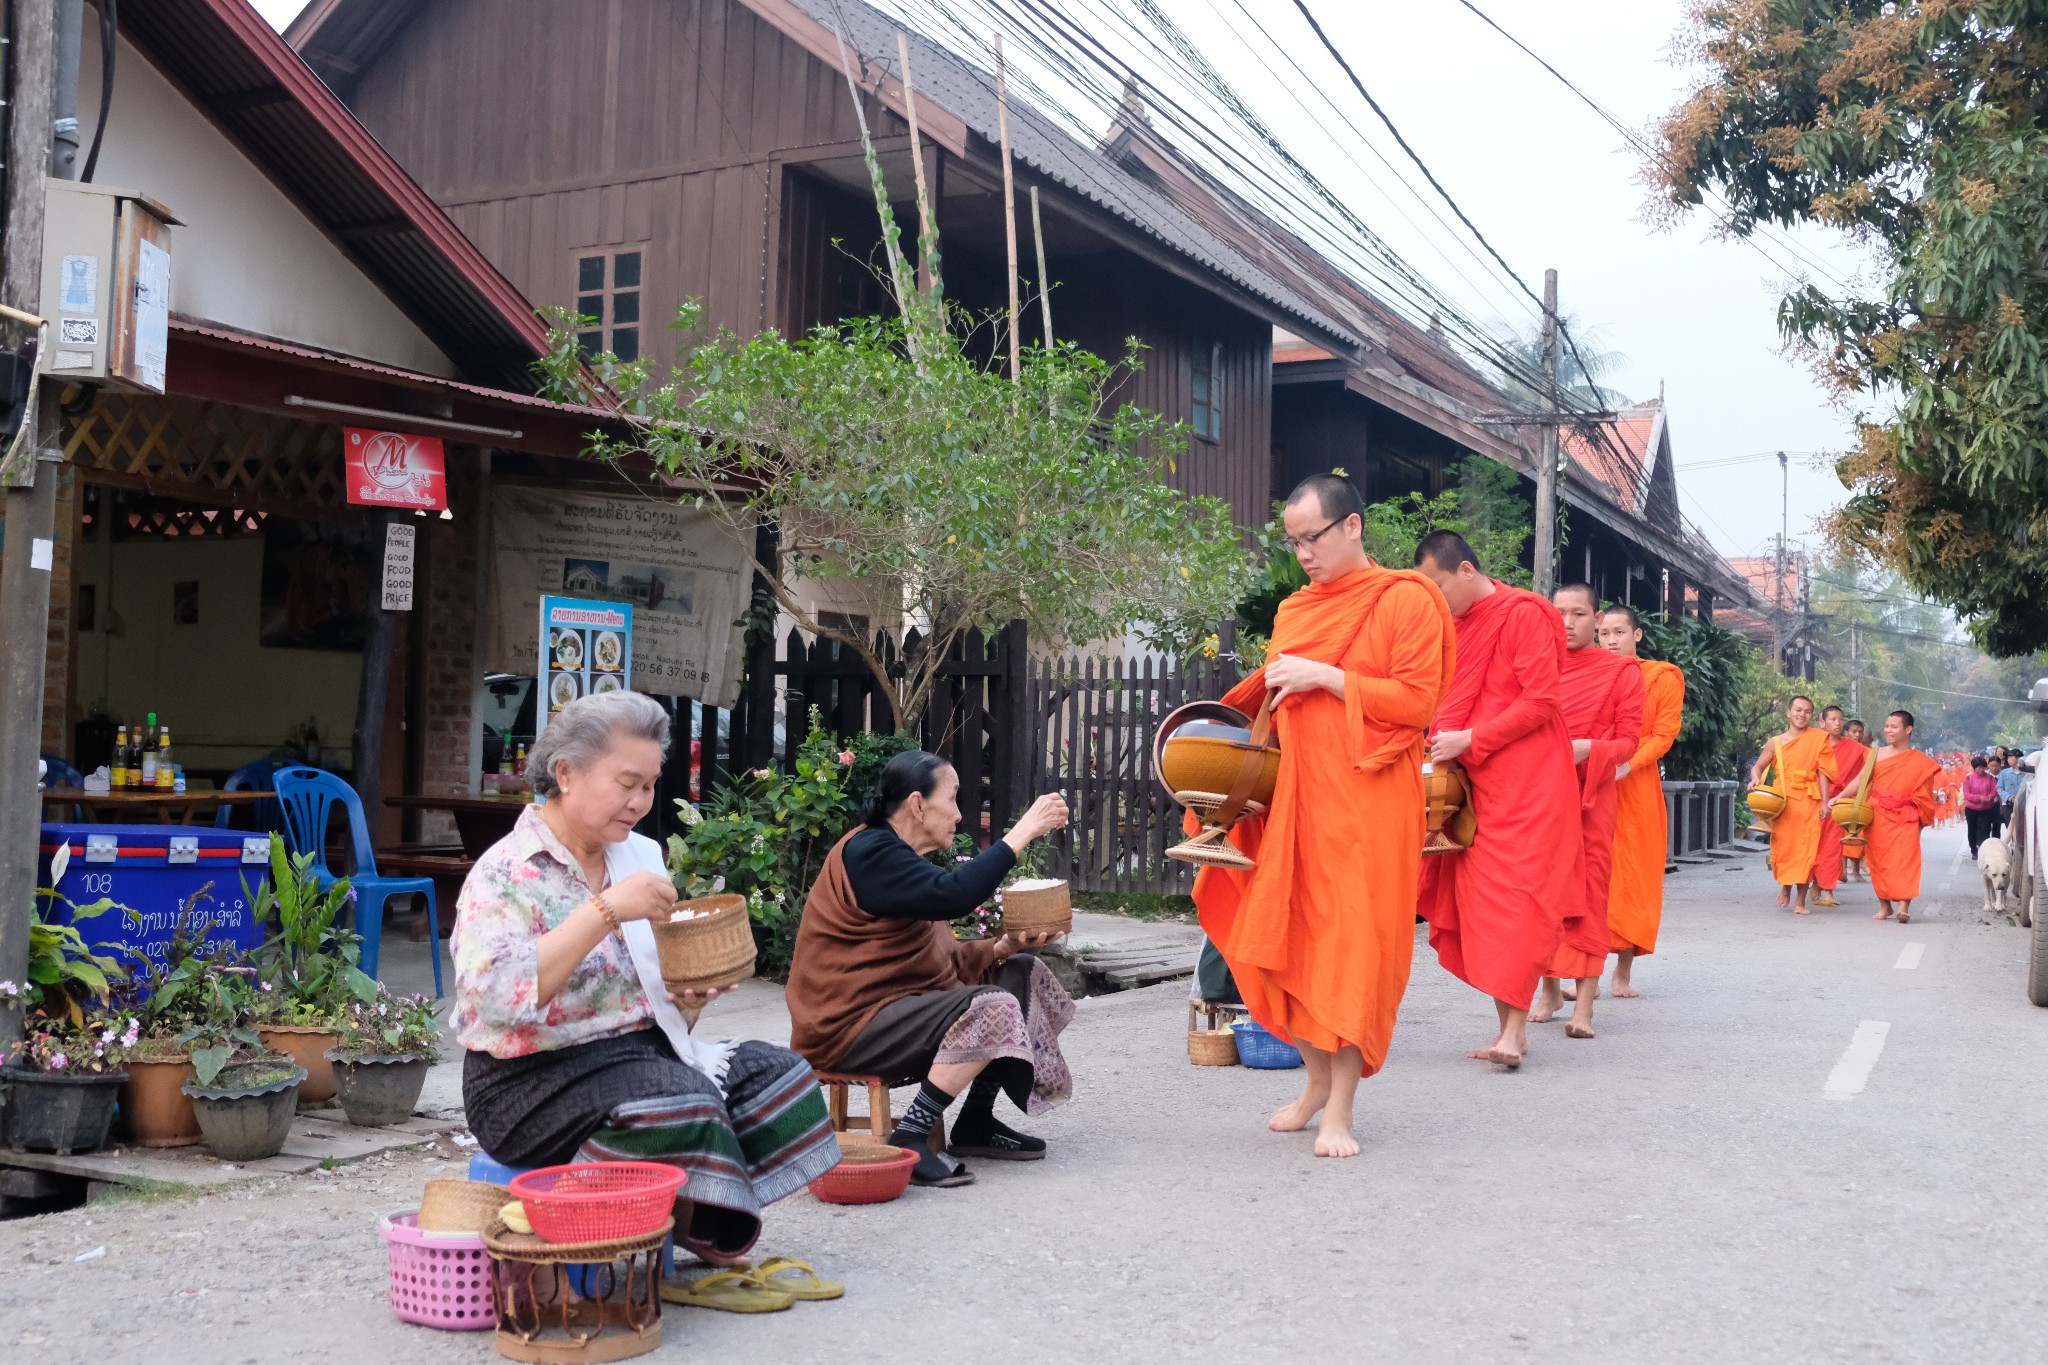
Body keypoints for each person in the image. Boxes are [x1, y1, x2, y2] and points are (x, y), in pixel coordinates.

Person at [453, 690, 839, 1279]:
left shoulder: (640, 856)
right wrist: (604, 910)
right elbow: (493, 1001)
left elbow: (654, 999)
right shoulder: (506, 872)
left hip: (637, 1056)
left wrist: (688, 1001)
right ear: (566, 773)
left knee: (780, 1079)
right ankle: (605, 1217)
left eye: (650, 786)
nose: (640, 801)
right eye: (626, 782)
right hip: (526, 1081)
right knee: (681, 1102)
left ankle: (693, 1214)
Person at [1193, 474, 1453, 1156]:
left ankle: (1340, 1108)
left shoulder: (1405, 600)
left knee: (1353, 948)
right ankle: (1313, 1082)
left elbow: (1418, 702)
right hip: (1300, 802)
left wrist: (1327, 677)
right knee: (1297, 943)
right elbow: (1271, 701)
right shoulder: (1296, 610)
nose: (1303, 552)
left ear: (1353, 527)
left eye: (1313, 538)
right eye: (1294, 541)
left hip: (1370, 803)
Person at [786, 754, 1073, 1188]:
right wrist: (1024, 831)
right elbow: (956, 894)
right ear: (917, 805)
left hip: (899, 1011)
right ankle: (912, 1134)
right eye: (954, 799)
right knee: (992, 1006)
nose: (959, 815)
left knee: (1020, 974)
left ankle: (975, 1121)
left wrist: (1003, 946)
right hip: (849, 1026)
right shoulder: (867, 853)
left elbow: (944, 963)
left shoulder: (900, 859)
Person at [1414, 531, 1585, 1070]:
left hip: (1529, 782)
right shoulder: (1454, 629)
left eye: (1438, 585)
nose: (1435, 599)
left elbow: (1541, 702)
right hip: (1472, 787)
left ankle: (1514, 1031)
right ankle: (1506, 1028)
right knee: (1482, 908)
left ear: (1466, 571)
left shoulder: (1525, 613)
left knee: (1519, 902)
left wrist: (1472, 738)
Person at [1530, 585, 1643, 1038]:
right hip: (1540, 796)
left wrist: (1588, 749)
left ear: (1596, 621)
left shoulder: (1621, 672)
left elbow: (1629, 743)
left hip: (1591, 796)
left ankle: (1585, 1006)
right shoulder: (1537, 668)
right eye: (1560, 613)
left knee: (1590, 893)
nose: (1568, 623)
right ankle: (1549, 988)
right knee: (1542, 893)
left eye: (1579, 614)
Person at [1596, 604, 1684, 998]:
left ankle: (1622, 974)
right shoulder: (1587, 673)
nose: (1611, 640)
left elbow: (1663, 735)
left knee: (1633, 877)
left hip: (1636, 785)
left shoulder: (1661, 677)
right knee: (1590, 878)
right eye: (1605, 633)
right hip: (1591, 782)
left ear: (1637, 635)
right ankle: (1583, 972)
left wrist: (1626, 765)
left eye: (1619, 632)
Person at [1751, 696, 1836, 913]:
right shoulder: (1776, 742)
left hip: (1808, 801)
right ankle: (1785, 887)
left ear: (1812, 716)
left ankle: (1800, 901)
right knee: (1784, 849)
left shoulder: (1819, 738)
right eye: (1798, 710)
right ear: (1788, 712)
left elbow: (1823, 772)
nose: (1802, 715)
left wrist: (1825, 802)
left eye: (1807, 711)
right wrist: (1755, 779)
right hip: (1782, 803)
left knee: (1807, 851)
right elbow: (1758, 767)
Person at [1866, 710, 1944, 923]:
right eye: (1887, 726)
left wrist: (1921, 819)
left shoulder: (1921, 762)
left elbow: (1924, 793)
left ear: (1908, 730)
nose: (1888, 730)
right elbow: (1861, 781)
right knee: (1878, 859)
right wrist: (1841, 797)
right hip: (1877, 814)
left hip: (1906, 816)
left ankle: (1903, 906)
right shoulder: (1876, 754)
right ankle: (1884, 906)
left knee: (1906, 860)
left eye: (1894, 726)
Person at [1810, 705, 1868, 908]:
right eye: (1833, 719)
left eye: (1840, 719)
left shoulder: (1853, 748)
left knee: (1832, 847)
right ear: (1821, 722)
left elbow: (1873, 765)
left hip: (1837, 803)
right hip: (1811, 800)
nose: (1837, 723)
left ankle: (1828, 889)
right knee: (1811, 845)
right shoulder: (1812, 744)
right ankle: (1814, 881)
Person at [1963, 756, 2000, 856]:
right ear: (1974, 767)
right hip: (1971, 808)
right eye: (1979, 767)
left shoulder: (1990, 778)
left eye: (1983, 767)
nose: (1981, 770)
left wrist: (1989, 797)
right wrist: (1979, 798)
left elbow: (1994, 790)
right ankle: (1973, 849)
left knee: (1985, 828)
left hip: (1986, 808)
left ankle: (1983, 847)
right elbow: (1967, 794)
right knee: (1972, 828)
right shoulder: (1968, 778)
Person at [1998, 751, 2023, 833]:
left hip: (2023, 804)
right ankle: (2012, 843)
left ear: (2018, 759)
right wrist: (2008, 797)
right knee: (2010, 828)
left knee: (2022, 827)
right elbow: (1999, 788)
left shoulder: (2027, 773)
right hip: (2008, 805)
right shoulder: (2004, 773)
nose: (2008, 760)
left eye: (2011, 757)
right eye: (2007, 758)